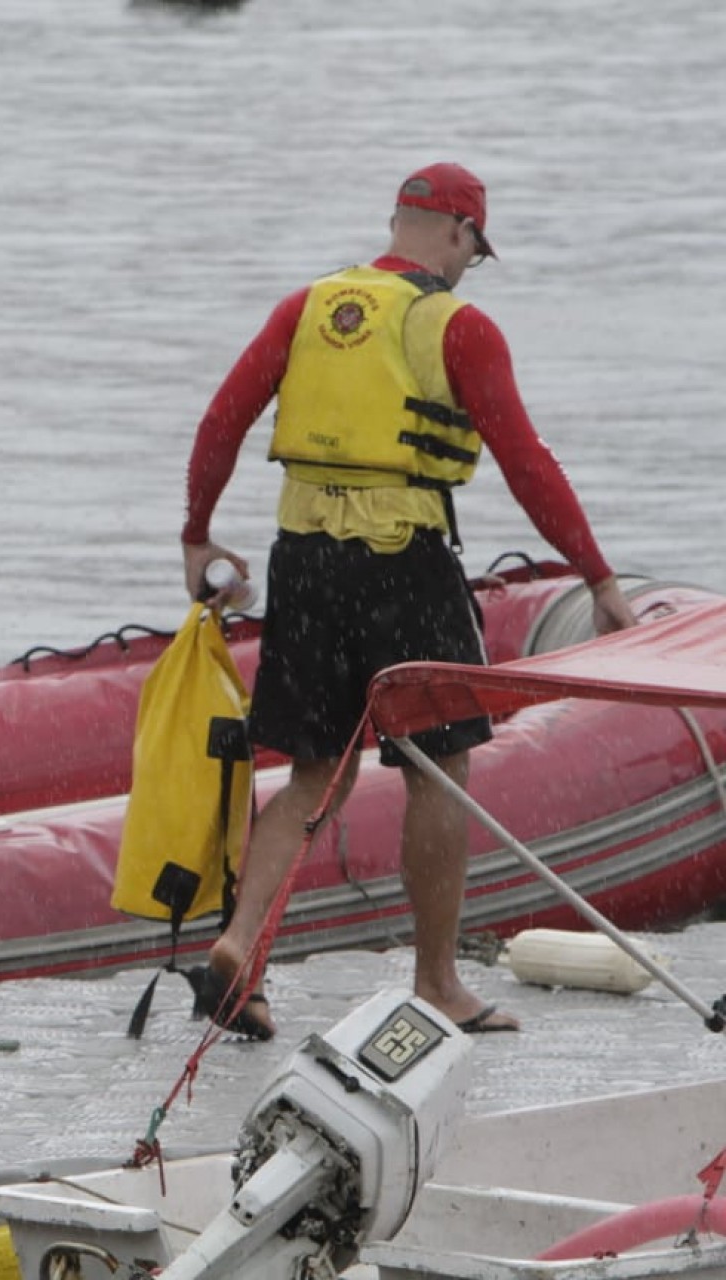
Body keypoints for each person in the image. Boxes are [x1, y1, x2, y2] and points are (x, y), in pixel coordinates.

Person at [180, 162, 637, 1039]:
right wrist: (598, 577)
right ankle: (437, 984)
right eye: (475, 249)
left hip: (305, 560)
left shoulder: (304, 308)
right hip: (406, 566)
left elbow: (221, 421)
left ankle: (240, 942)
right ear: (461, 234)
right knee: (437, 768)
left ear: (398, 223)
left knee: (315, 773)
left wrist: (196, 535)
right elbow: (526, 462)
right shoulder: (456, 326)